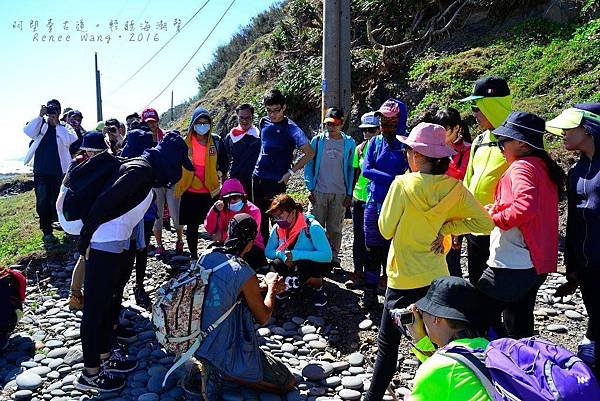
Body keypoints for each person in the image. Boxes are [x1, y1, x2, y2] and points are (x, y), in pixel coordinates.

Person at [363, 123, 494, 401]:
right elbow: (485, 222)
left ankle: (372, 398)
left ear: (418, 156)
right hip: (435, 277)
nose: (406, 154)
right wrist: (446, 229)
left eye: (408, 149)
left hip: (402, 277)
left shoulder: (402, 184)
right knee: (437, 342)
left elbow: (385, 229)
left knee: (389, 346)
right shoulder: (454, 188)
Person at [74, 132, 194, 392]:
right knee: (95, 308)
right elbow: (105, 202)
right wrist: (84, 240)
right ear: (169, 160)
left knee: (107, 303)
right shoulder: (140, 170)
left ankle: (105, 356)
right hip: (102, 245)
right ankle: (90, 373)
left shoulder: (146, 171)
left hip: (113, 245)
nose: (176, 172)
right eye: (178, 164)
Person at [185, 213, 294, 398]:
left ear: (229, 234)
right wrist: (272, 289)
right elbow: (264, 316)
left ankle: (204, 364)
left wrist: (261, 285)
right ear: (251, 242)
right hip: (223, 345)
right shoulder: (243, 271)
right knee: (287, 382)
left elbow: (223, 289)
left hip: (196, 339)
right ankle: (222, 372)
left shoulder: (206, 256)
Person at [477, 111, 565, 339]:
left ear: (521, 143)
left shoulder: (521, 167)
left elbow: (525, 208)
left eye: (502, 142)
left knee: (475, 316)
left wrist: (494, 216)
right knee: (519, 323)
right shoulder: (542, 166)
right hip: (534, 263)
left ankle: (487, 367)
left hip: (511, 263)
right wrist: (498, 209)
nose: (500, 147)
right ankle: (522, 368)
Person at [547, 103, 600, 375]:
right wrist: (571, 266)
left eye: (570, 127)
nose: (563, 133)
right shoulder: (576, 171)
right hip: (587, 266)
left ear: (589, 129)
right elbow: (574, 221)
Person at [460, 76, 512, 285]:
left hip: (504, 231)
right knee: (477, 283)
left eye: (477, 107)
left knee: (501, 289)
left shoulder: (520, 141)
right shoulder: (480, 140)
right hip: (475, 228)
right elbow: (467, 182)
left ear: (492, 105)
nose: (474, 115)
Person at [404, 276, 490, 401]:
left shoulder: (435, 370)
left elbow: (443, 370)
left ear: (436, 319)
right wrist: (420, 339)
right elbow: (455, 364)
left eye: (422, 313)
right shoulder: (487, 346)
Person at [361, 99, 409, 307]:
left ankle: (393, 297)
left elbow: (411, 173)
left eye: (391, 120)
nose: (385, 125)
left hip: (398, 205)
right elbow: (366, 170)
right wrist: (394, 179)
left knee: (394, 251)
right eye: (382, 120)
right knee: (372, 249)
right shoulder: (375, 142)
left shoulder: (406, 145)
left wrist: (395, 180)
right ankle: (370, 294)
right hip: (374, 203)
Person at [251, 89, 314, 241]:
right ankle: (263, 254)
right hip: (258, 177)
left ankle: (280, 253)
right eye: (269, 110)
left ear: (284, 107)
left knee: (279, 219)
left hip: (276, 181)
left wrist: (290, 173)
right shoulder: (263, 122)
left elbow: (310, 153)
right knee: (259, 218)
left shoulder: (292, 129)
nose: (273, 114)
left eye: (276, 110)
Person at [174, 107, 228, 261]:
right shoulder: (185, 143)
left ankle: (217, 256)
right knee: (192, 227)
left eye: (206, 122)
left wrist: (220, 178)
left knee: (216, 225)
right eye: (199, 122)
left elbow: (224, 163)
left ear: (210, 124)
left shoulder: (216, 142)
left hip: (211, 191)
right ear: (193, 124)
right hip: (189, 191)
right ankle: (193, 257)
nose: (202, 126)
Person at [304, 107, 356, 267]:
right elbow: (309, 164)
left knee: (335, 228)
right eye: (328, 124)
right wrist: (310, 187)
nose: (331, 127)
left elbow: (350, 168)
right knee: (315, 226)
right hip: (319, 191)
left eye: (334, 124)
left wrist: (349, 193)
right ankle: (315, 255)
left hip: (339, 193)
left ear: (341, 123)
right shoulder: (318, 141)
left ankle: (333, 258)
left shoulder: (349, 143)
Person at [425, 107, 472, 277]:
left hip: (456, 212)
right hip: (435, 210)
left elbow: (463, 182)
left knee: (451, 260)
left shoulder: (468, 150)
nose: (440, 133)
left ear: (457, 128)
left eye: (445, 129)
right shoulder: (433, 149)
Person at [23, 99, 78, 243]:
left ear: (60, 112)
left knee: (58, 200)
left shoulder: (65, 126)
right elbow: (28, 131)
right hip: (41, 171)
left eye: (56, 110)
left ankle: (60, 223)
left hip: (60, 171)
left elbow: (70, 140)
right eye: (50, 109)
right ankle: (47, 230)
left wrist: (57, 125)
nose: (53, 112)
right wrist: (40, 116)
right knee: (42, 200)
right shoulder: (39, 124)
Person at [265, 194, 333, 307]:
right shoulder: (278, 228)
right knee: (274, 266)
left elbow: (327, 256)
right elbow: (268, 251)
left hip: (309, 262)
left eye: (280, 216)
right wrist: (282, 255)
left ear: (293, 212)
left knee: (310, 268)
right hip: (290, 261)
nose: (277, 220)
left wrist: (297, 255)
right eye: (275, 217)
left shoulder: (312, 227)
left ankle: (317, 288)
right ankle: (287, 287)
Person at [67, 131, 110, 310]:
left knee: (85, 255)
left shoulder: (79, 165)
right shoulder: (86, 166)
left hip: (87, 217)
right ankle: (78, 296)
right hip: (92, 218)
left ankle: (76, 295)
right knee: (87, 255)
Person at [120, 129, 156, 309]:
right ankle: (138, 286)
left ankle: (123, 288)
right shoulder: (152, 159)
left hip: (130, 214)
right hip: (145, 213)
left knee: (129, 251)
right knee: (141, 250)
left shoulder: (124, 156)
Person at [346, 112, 379, 289]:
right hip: (359, 199)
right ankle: (358, 273)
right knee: (359, 238)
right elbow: (355, 174)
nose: (367, 134)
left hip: (376, 200)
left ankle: (377, 277)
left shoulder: (384, 149)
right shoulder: (359, 149)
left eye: (371, 130)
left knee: (375, 240)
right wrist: (349, 194)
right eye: (365, 130)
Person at [204, 178, 267, 270]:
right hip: (227, 245)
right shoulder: (220, 209)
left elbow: (250, 235)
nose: (232, 201)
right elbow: (209, 229)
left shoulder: (254, 211)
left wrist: (222, 236)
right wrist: (214, 211)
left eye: (236, 197)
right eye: (228, 199)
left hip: (251, 246)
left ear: (243, 197)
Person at [225, 103, 261, 194]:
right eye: (241, 118)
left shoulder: (259, 135)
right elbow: (225, 160)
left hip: (256, 181)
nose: (244, 121)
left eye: (247, 118)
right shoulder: (231, 137)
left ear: (252, 117)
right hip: (236, 181)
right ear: (237, 117)